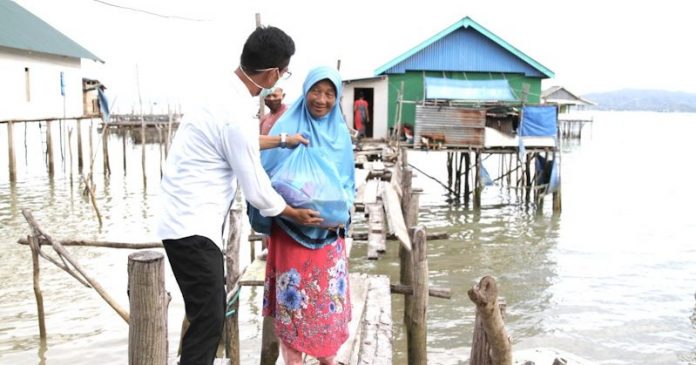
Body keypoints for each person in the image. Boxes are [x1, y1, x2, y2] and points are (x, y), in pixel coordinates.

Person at [157, 26, 322, 365]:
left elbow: (238, 142)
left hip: (178, 219)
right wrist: (293, 212)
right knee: (209, 319)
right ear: (274, 73)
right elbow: (257, 190)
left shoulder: (220, 94)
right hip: (192, 226)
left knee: (205, 313)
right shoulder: (236, 114)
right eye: (284, 73)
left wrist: (281, 139)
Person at [249, 66, 355, 365]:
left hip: (327, 235)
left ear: (337, 98)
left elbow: (348, 183)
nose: (322, 100)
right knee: (294, 304)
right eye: (316, 92)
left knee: (325, 303)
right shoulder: (285, 127)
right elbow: (263, 178)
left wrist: (338, 210)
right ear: (305, 92)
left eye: (329, 94)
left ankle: (328, 361)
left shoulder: (341, 136)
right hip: (289, 234)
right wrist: (294, 212)